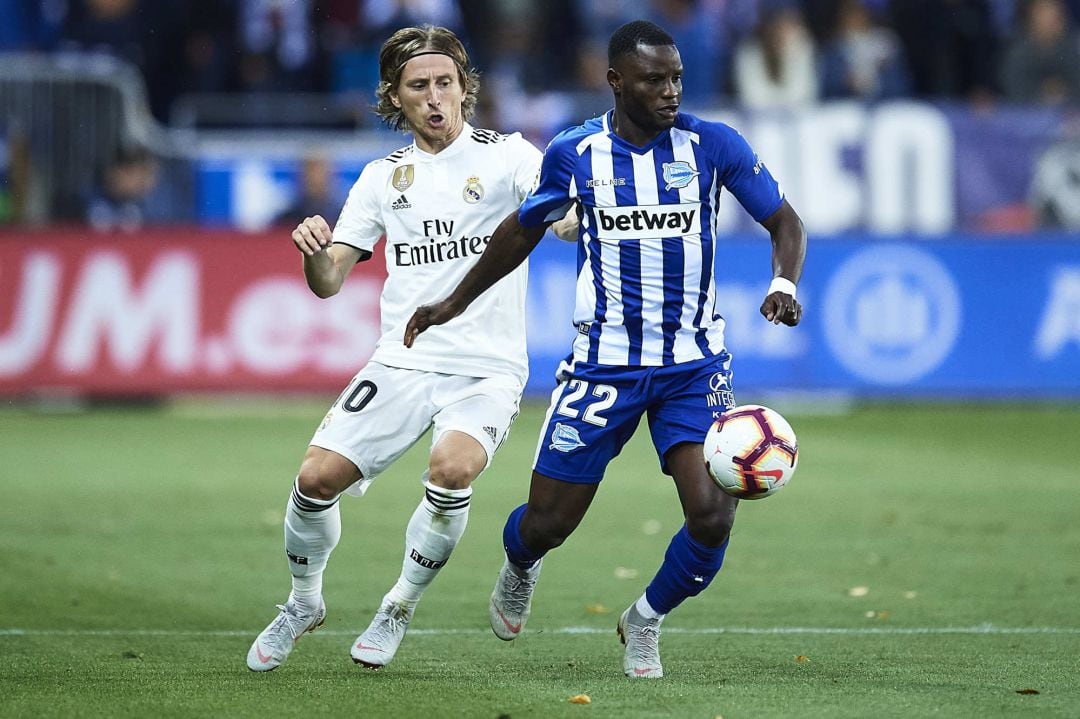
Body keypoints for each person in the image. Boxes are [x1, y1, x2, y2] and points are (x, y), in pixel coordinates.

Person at [405, 19, 806, 679]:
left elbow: (784, 221)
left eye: (676, 77)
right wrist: (453, 301)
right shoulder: (575, 153)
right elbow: (521, 230)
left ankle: (645, 619)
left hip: (693, 366)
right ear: (616, 82)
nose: (671, 91)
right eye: (654, 80)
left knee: (710, 515)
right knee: (547, 522)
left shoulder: (713, 145)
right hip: (603, 368)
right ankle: (521, 562)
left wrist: (784, 281)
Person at [246, 24, 575, 673]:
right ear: (394, 98)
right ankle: (303, 601)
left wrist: (575, 214)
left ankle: (398, 603)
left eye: (445, 84)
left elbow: (558, 216)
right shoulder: (381, 177)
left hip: (486, 366)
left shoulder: (510, 155)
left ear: (465, 89)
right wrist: (315, 255)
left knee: (452, 471)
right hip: (402, 359)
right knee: (314, 480)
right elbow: (330, 280)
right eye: (418, 86)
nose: (434, 98)